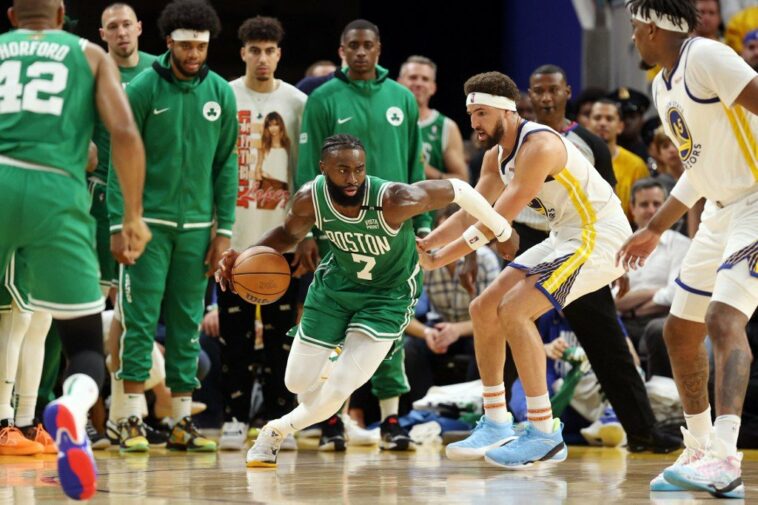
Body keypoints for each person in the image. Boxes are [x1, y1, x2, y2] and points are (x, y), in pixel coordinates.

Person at [216, 133, 511, 467]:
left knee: (340, 386)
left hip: (387, 296)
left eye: (359, 168)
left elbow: (461, 190)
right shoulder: (308, 199)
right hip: (335, 288)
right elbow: (287, 236)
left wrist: (501, 229)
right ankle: (333, 361)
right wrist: (246, 255)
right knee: (296, 381)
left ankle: (275, 431)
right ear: (323, 167)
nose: (353, 178)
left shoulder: (394, 199)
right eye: (342, 169)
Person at [417, 71, 632, 469]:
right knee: (483, 308)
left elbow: (499, 218)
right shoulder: (494, 156)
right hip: (565, 234)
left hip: (599, 235)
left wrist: (442, 257)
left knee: (515, 310)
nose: (474, 124)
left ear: (506, 110)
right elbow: (473, 209)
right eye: (471, 115)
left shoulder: (539, 146)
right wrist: (428, 245)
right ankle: (497, 420)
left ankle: (544, 432)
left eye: (481, 113)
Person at [0, 0, 150, 499]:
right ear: (62, 15)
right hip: (56, 192)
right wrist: (130, 217)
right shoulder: (88, 54)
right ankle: (74, 406)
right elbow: (124, 133)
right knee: (84, 343)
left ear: (10, 16)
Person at [621, 0, 758, 498]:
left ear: (657, 28)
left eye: (636, 27)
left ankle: (725, 457)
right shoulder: (662, 85)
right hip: (721, 208)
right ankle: (699, 447)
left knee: (724, 319)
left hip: (757, 200)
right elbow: (696, 169)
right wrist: (655, 228)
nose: (632, 37)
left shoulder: (707, 57)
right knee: (680, 330)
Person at [524, 64, 677, 453]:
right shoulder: (519, 140)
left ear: (567, 93)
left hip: (578, 253)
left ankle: (643, 431)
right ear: (529, 95)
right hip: (529, 247)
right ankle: (508, 426)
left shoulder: (588, 141)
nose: (545, 98)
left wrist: (617, 260)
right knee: (509, 328)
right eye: (537, 91)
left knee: (607, 343)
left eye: (552, 90)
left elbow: (608, 207)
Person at [107, 0, 237, 454]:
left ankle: (182, 422)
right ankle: (127, 420)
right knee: (138, 323)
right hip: (147, 226)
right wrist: (118, 222)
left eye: (201, 45)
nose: (194, 53)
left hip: (199, 228)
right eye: (186, 45)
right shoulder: (143, 87)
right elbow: (118, 159)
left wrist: (225, 231)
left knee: (186, 326)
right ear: (168, 43)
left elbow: (226, 167)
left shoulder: (221, 93)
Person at [294, 19, 430, 451]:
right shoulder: (323, 98)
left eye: (367, 45)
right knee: (337, 328)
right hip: (339, 228)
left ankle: (391, 419)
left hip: (395, 232)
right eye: (352, 45)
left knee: (385, 330)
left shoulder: (402, 99)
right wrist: (306, 233)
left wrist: (423, 224)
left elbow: (414, 168)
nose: (360, 52)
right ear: (341, 49)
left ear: (378, 48)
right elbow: (306, 168)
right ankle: (331, 418)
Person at [219, 15, 306, 451]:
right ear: (242, 53)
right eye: (254, 50)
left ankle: (277, 419)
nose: (262, 58)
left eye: (270, 50)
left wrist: (306, 235)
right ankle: (234, 417)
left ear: (279, 54)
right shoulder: (224, 94)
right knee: (234, 338)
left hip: (282, 240)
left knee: (279, 339)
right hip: (233, 239)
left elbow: (305, 173)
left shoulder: (296, 102)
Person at [94, 1, 164, 451]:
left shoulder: (160, 71)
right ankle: (85, 417)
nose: (121, 32)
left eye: (126, 24)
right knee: (80, 314)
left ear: (139, 28)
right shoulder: (93, 72)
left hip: (149, 202)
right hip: (99, 201)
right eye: (112, 27)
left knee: (132, 314)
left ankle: (126, 416)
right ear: (103, 34)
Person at [616, 179, 690, 347]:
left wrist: (633, 307)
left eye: (657, 204)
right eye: (644, 205)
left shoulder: (680, 244)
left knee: (657, 331)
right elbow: (613, 299)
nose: (651, 210)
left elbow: (675, 294)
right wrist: (654, 291)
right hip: (621, 322)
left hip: (662, 319)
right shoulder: (619, 246)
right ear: (632, 209)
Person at [398, 55, 468, 181]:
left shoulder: (446, 127)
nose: (418, 83)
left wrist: (426, 170)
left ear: (433, 88)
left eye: (425, 79)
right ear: (399, 82)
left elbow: (462, 180)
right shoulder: (383, 119)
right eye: (413, 77)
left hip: (427, 199)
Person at [589, 98, 651, 219]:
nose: (602, 123)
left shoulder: (636, 165)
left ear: (620, 126)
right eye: (597, 118)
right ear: (587, 124)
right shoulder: (576, 160)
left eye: (609, 119)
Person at [607, 87, 652, 161]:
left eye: (632, 116)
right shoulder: (603, 152)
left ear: (642, 119)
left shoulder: (652, 153)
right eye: (622, 117)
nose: (626, 121)